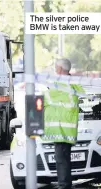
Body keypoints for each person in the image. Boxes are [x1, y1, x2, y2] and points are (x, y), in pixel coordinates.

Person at [42, 58, 85, 189]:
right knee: (65, 159)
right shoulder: (74, 83)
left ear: (60, 69)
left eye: (56, 68)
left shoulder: (58, 85)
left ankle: (64, 185)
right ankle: (65, 183)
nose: (55, 71)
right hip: (68, 129)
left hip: (60, 130)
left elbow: (44, 99)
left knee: (61, 160)